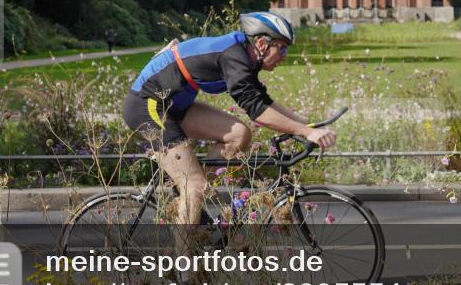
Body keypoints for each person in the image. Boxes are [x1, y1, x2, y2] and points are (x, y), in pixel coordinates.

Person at [123, 12, 336, 227]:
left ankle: (186, 199)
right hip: (147, 106)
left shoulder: (246, 56)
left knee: (238, 135)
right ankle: (184, 255)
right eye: (281, 48)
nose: (285, 54)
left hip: (176, 106)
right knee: (195, 187)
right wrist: (306, 132)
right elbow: (258, 111)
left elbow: (263, 100)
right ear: (262, 43)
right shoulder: (233, 57)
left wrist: (306, 126)